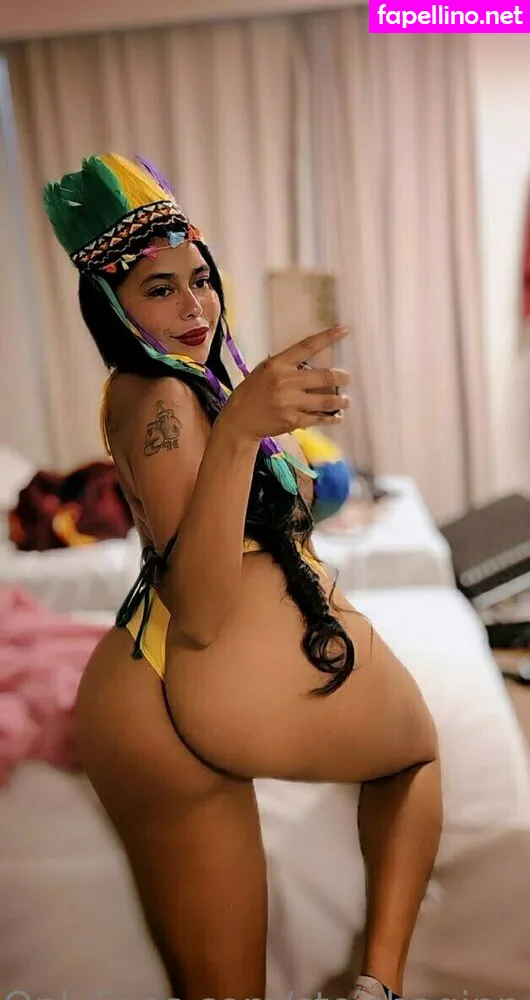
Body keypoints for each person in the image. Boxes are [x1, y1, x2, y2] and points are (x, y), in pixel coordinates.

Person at [43, 153, 442, 1000]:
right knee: (413, 758)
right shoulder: (160, 398)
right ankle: (380, 985)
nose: (194, 306)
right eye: (160, 289)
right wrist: (238, 434)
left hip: (144, 699)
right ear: (113, 303)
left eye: (201, 280)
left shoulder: (185, 385)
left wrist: (265, 434)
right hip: (177, 682)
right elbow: (200, 609)